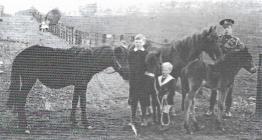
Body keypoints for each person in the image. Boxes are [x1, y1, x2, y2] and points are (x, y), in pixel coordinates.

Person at [206, 18, 245, 117]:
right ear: (223, 29)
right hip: (218, 67)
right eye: (225, 27)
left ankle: (227, 110)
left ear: (232, 28)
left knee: (229, 89)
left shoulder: (236, 41)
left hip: (229, 69)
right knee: (214, 88)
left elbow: (242, 51)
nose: (227, 29)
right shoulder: (218, 39)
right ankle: (210, 109)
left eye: (229, 27)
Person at [128, 34, 151, 126]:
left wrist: (147, 74)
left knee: (143, 99)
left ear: (143, 43)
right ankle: (132, 119)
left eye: (140, 42)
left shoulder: (146, 53)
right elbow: (129, 64)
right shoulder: (131, 53)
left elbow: (148, 66)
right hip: (133, 79)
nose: (137, 44)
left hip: (143, 80)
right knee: (133, 99)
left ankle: (143, 119)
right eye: (136, 42)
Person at [155, 62, 176, 126]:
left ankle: (166, 123)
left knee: (165, 111)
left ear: (170, 71)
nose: (163, 72)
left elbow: (172, 90)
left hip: (168, 98)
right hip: (160, 96)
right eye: (162, 70)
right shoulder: (159, 78)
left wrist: (167, 94)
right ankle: (160, 122)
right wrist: (158, 92)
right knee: (159, 109)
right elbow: (157, 87)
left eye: (166, 70)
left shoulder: (172, 79)